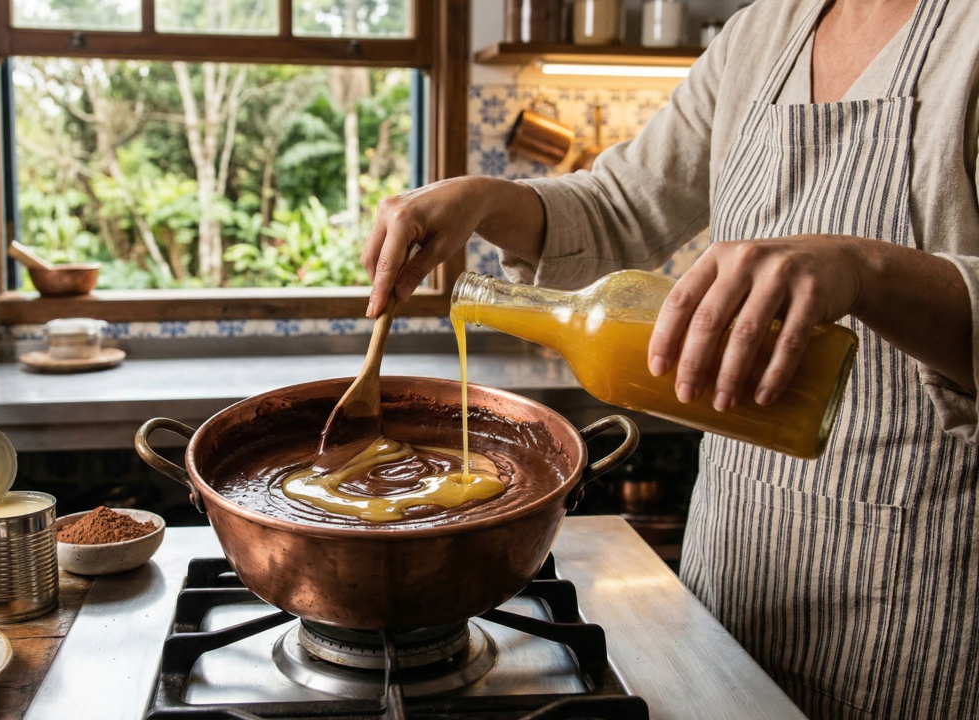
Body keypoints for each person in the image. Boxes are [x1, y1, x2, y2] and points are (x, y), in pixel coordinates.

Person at [360, 0, 978, 718]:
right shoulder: (763, 31)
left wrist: (866, 269)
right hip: (735, 587)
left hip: (916, 604)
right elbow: (623, 206)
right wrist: (485, 199)